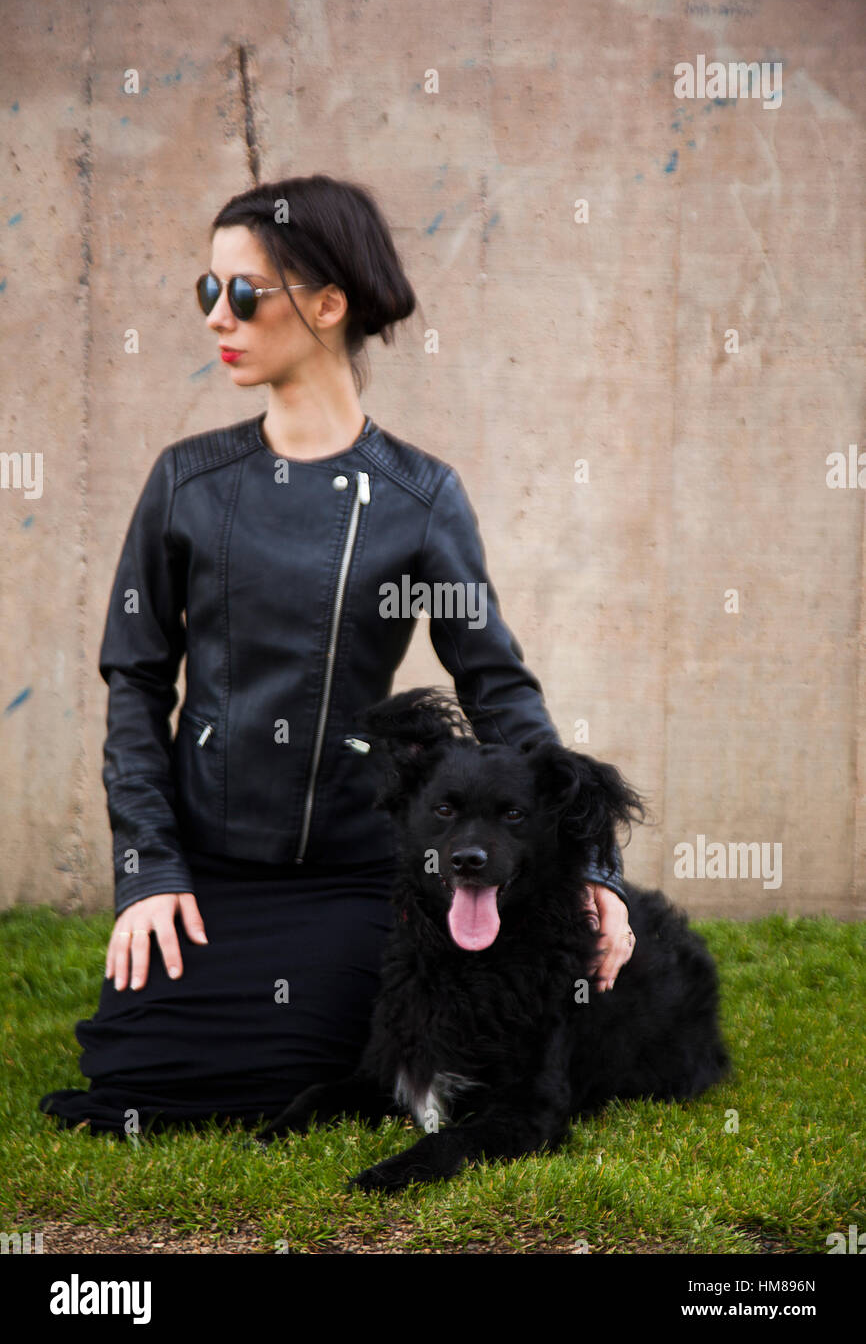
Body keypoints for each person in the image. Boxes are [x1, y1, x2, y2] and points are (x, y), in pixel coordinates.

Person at [39, 174, 634, 1138]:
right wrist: (149, 870)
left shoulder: (421, 495)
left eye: (243, 294)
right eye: (207, 291)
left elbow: (498, 692)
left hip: (354, 873)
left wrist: (594, 870)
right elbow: (137, 680)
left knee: (318, 1064)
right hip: (207, 866)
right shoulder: (186, 482)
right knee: (132, 1077)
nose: (216, 318)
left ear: (326, 304)